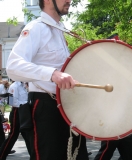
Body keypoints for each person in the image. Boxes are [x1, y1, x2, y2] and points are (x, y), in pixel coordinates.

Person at [6, 0, 89, 159]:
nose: (69, 1)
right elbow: (13, 66)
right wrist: (52, 74)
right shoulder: (36, 28)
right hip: (47, 108)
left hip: (67, 108)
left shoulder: (59, 31)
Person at [0, 81, 29, 160]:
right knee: (13, 135)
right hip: (17, 111)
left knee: (27, 135)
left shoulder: (24, 86)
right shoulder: (14, 86)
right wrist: (27, 103)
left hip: (24, 111)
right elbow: (11, 102)